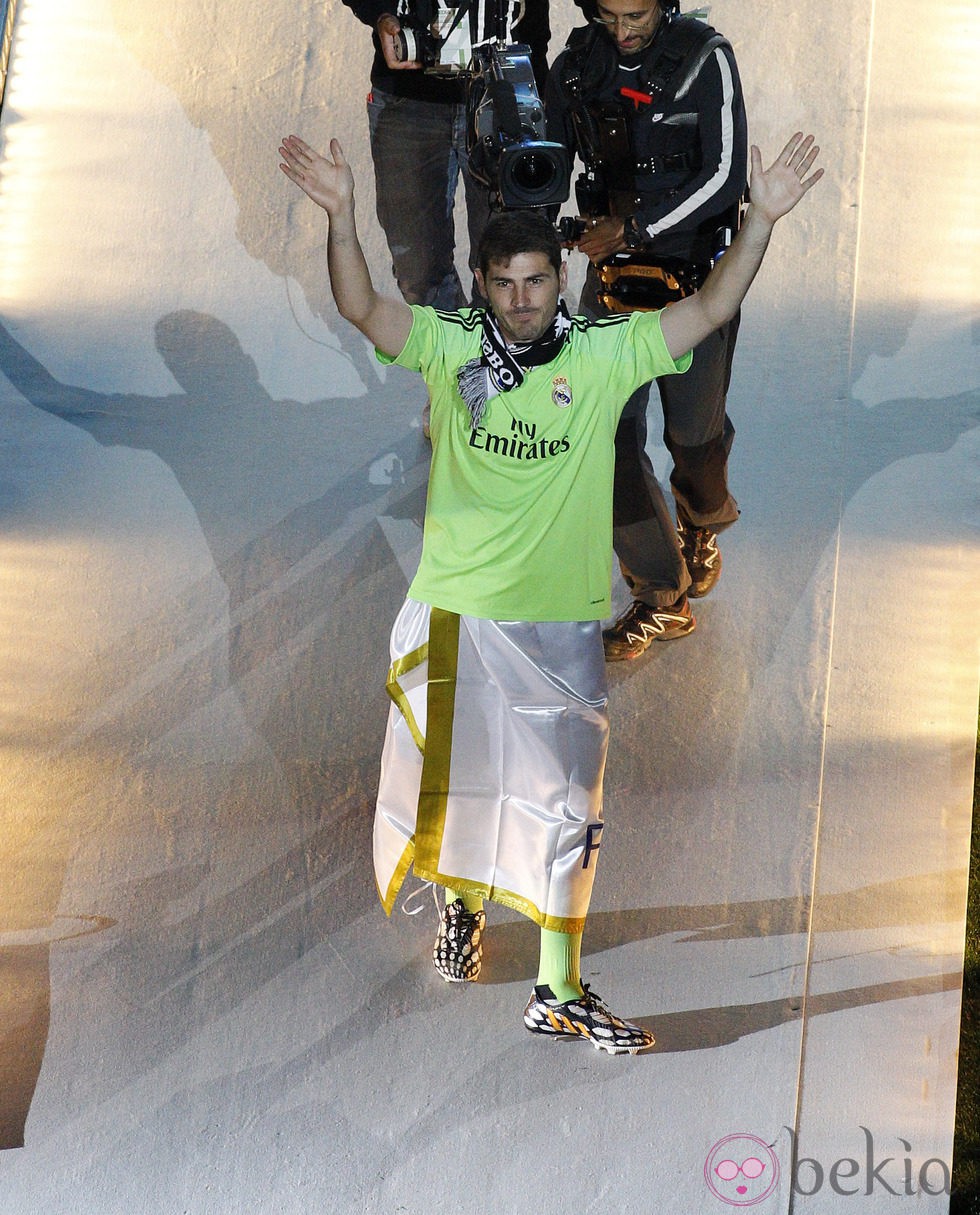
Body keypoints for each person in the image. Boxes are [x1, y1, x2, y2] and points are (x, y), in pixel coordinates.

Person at [278, 128, 822, 1052]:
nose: (524, 299)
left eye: (538, 281)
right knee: (459, 790)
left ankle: (557, 988)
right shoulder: (448, 348)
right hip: (455, 612)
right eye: (506, 284)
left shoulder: (603, 355)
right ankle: (465, 911)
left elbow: (708, 308)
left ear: (559, 283)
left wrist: (760, 220)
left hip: (562, 630)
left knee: (571, 806)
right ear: (483, 288)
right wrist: (339, 217)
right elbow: (364, 305)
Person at [546, 0, 748, 659]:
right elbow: (546, 167)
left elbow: (723, 177)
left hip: (696, 281)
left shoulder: (705, 57)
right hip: (609, 283)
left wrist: (636, 230)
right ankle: (662, 596)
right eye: (608, 14)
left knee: (694, 438)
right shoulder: (577, 68)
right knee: (598, 441)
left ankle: (702, 519)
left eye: (636, 14)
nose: (624, 29)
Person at [340, 0, 550, 309]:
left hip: (509, 85)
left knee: (514, 262)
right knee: (418, 270)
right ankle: (456, 355)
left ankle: (498, 355)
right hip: (409, 93)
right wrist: (381, 12)